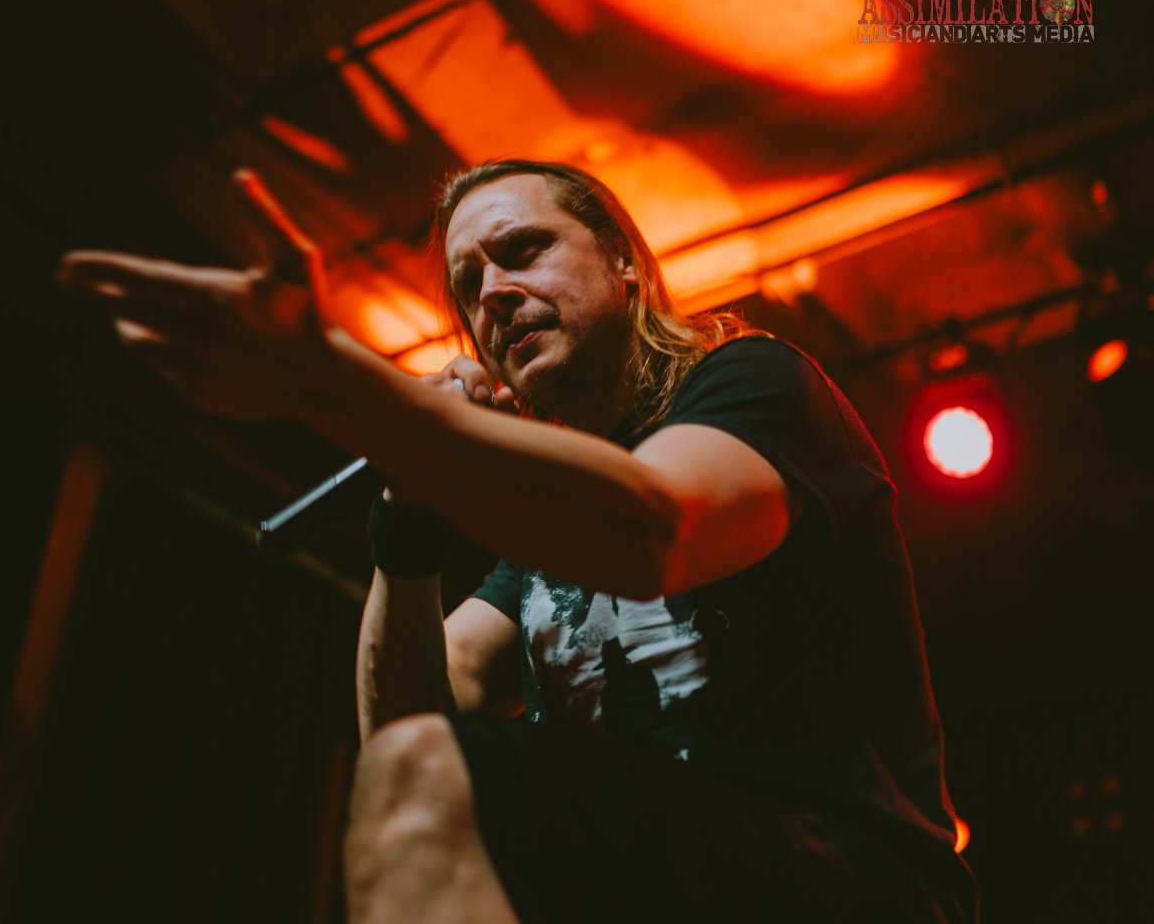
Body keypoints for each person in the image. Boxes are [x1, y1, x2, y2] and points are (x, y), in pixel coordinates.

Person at [60, 160, 979, 922]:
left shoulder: (757, 385)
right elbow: (408, 727)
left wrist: (344, 388)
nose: (494, 294)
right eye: (468, 286)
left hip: (838, 881)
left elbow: (652, 530)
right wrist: (407, 512)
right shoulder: (546, 538)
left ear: (622, 261)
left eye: (524, 250)